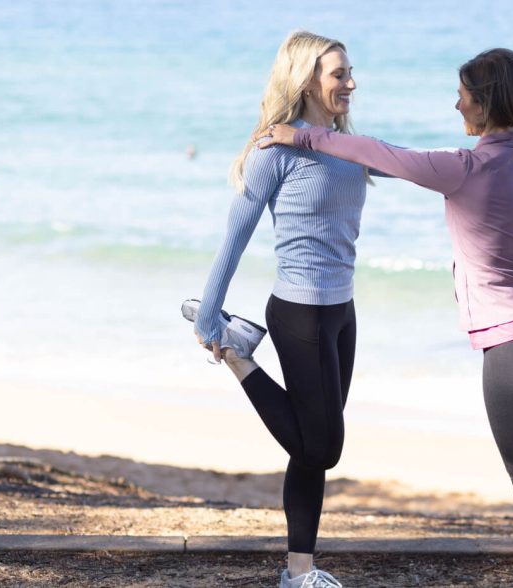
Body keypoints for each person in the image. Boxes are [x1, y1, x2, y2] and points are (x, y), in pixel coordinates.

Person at [260, 47, 513, 588]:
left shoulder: (461, 168)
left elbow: (379, 152)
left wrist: (300, 135)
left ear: (483, 105)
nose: (455, 102)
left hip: (512, 345)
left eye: (462, 94)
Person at [191, 30, 370, 588]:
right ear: (308, 80)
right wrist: (209, 311)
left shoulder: (347, 146)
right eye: (339, 74)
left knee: (310, 448)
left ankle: (300, 571)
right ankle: (239, 357)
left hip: (341, 312)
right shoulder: (275, 148)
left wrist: (500, 145)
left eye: (349, 73)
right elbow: (237, 233)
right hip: (298, 314)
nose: (350, 83)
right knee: (323, 446)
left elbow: (417, 163)